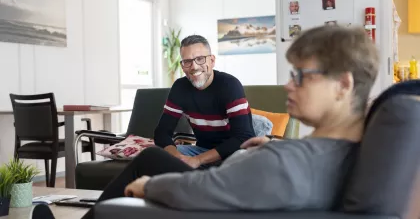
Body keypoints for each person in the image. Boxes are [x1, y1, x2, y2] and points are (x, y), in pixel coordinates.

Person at [36, 25, 379, 219]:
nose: (288, 85)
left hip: (218, 176)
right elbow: (162, 131)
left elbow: (214, 188)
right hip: (225, 163)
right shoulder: (355, 152)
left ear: (344, 85)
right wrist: (272, 144)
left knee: (149, 161)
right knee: (159, 154)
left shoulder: (286, 160)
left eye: (300, 75)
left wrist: (151, 185)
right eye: (187, 62)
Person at [154, 35, 256, 169]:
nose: (194, 66)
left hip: (235, 154)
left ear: (212, 60)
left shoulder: (230, 85)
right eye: (187, 61)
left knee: (242, 160)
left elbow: (243, 137)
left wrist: (198, 160)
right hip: (202, 151)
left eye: (200, 59)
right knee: (156, 155)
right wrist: (177, 158)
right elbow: (162, 132)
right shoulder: (179, 87)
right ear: (182, 66)